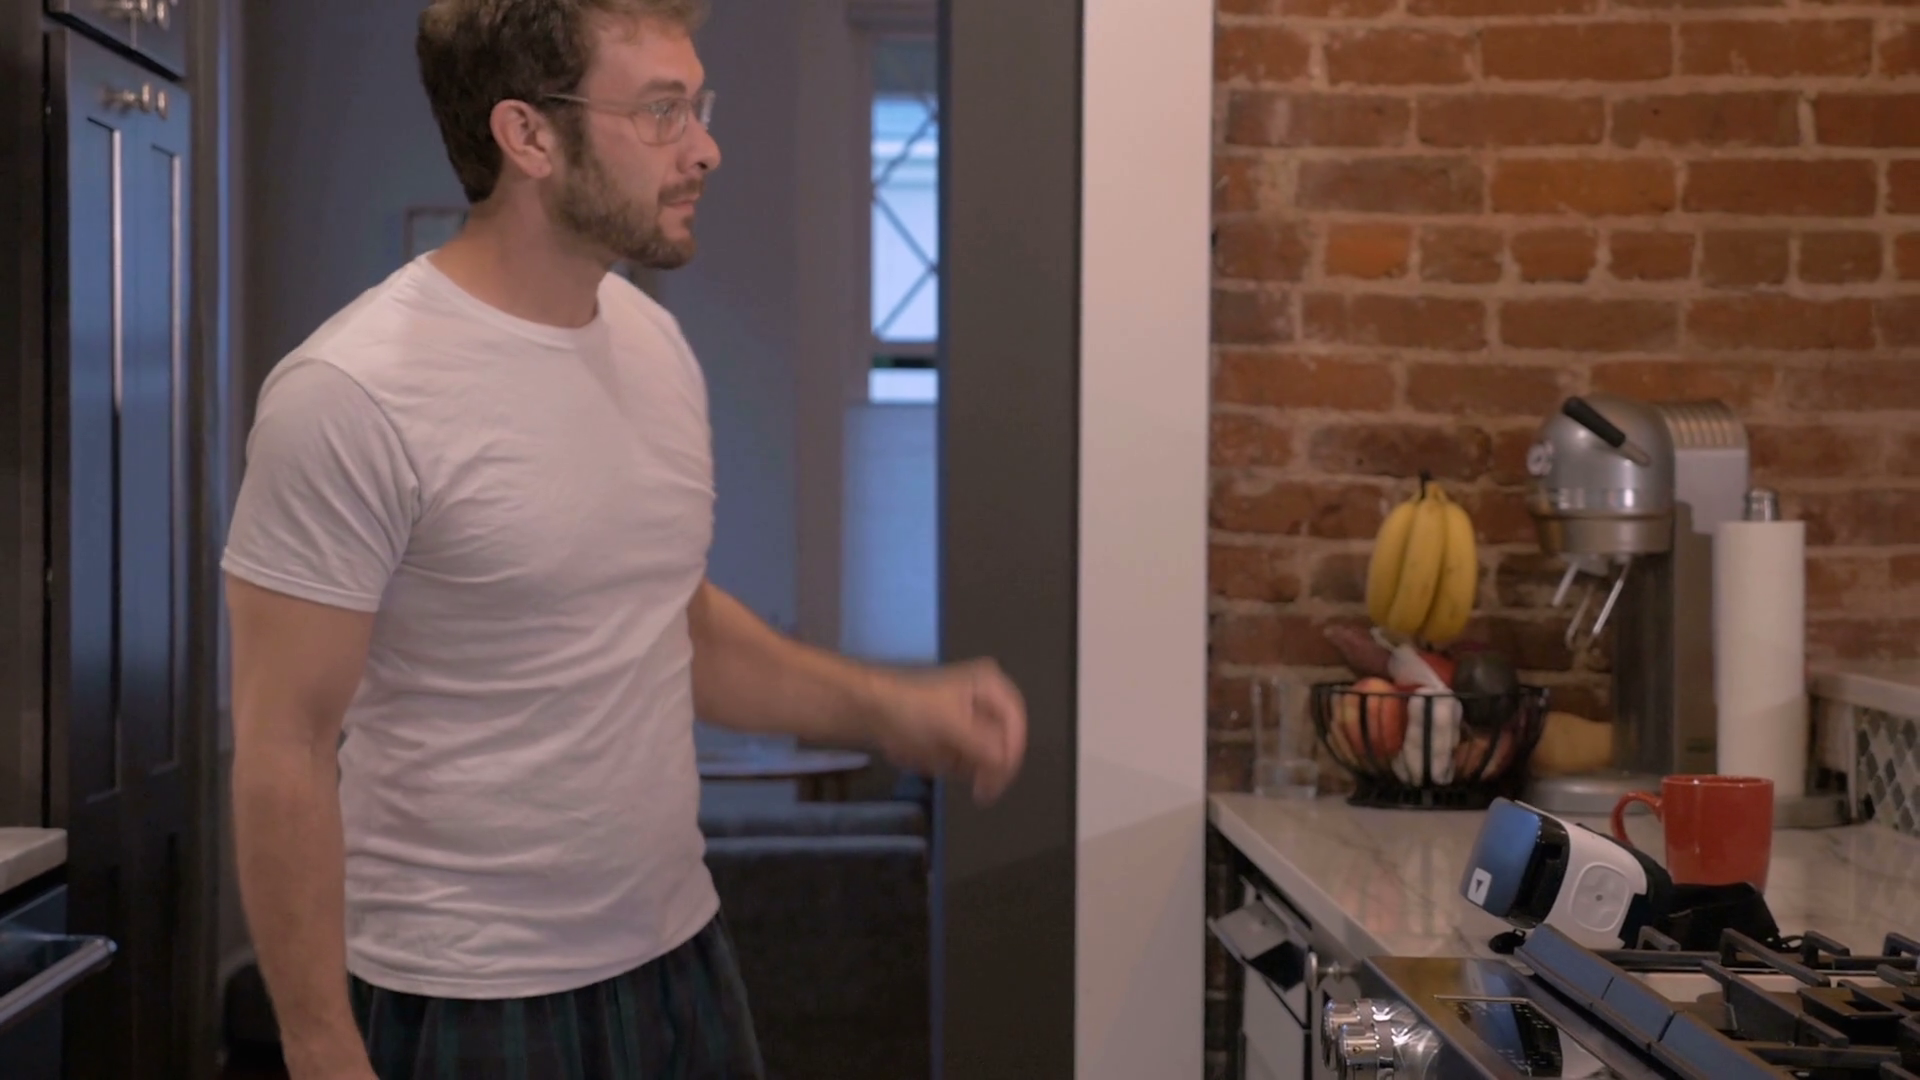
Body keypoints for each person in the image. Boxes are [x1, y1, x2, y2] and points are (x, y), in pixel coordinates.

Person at [221, 1, 1028, 1077]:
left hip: (679, 961)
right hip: (467, 994)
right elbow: (284, 746)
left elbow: (675, 627)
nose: (704, 147)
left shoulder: (653, 345)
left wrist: (892, 707)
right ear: (529, 136)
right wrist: (321, 1047)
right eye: (659, 111)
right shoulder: (350, 394)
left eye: (696, 104)